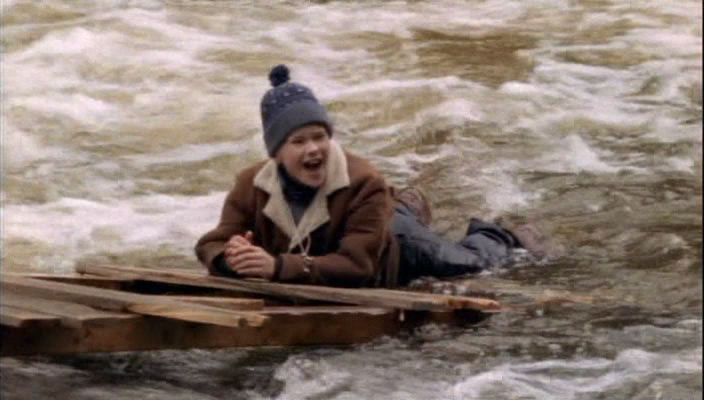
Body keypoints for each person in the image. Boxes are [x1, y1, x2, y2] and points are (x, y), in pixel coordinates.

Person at [195, 64, 545, 288]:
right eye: (298, 142)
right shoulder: (251, 183)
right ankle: (404, 203)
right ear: (276, 153)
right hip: (351, 234)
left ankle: (504, 235)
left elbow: (357, 266)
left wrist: (277, 267)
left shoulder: (363, 181)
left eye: (320, 137)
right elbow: (210, 244)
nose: (313, 149)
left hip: (394, 246)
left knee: (466, 264)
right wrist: (232, 258)